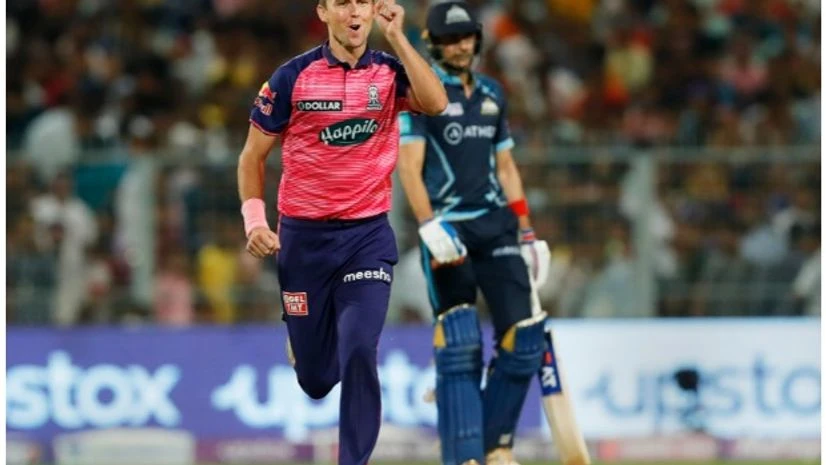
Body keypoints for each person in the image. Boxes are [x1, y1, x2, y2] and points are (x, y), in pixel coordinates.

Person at [237, 1, 447, 464]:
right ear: (325, 11)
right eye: (343, 3)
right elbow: (252, 157)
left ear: (374, 11)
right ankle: (303, 336)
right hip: (304, 242)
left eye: (363, 3)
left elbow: (436, 102)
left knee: (358, 348)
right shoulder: (292, 78)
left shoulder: (391, 73)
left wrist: (398, 38)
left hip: (366, 238)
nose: (354, 13)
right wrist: (255, 221)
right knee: (315, 381)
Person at [397, 2, 551, 465]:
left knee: (524, 338)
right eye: (450, 39)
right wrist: (428, 225)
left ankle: (494, 447)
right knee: (460, 339)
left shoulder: (492, 93)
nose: (460, 46)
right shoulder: (422, 94)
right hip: (448, 227)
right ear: (432, 44)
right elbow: (409, 166)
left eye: (465, 37)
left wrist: (526, 230)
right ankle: (463, 457)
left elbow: (505, 166)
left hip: (497, 223)